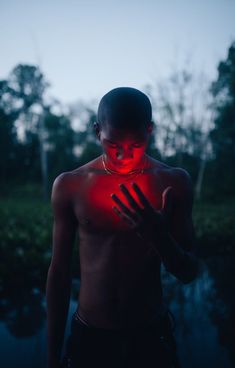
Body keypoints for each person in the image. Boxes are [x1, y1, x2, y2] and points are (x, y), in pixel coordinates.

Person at [46, 87, 199, 368]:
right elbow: (58, 274)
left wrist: (159, 238)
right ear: (97, 132)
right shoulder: (70, 185)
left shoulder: (174, 183)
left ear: (150, 130)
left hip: (151, 339)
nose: (124, 156)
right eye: (113, 145)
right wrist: (52, 358)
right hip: (89, 339)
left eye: (136, 145)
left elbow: (189, 272)